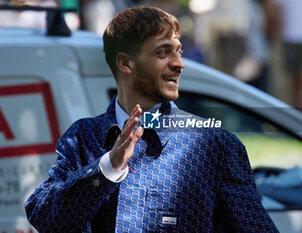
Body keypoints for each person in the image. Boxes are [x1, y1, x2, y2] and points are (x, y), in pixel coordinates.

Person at [25, 6, 279, 232]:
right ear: (126, 63)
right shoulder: (82, 138)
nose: (179, 63)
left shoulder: (216, 145)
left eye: (178, 51)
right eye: (163, 52)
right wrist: (107, 168)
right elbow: (44, 218)